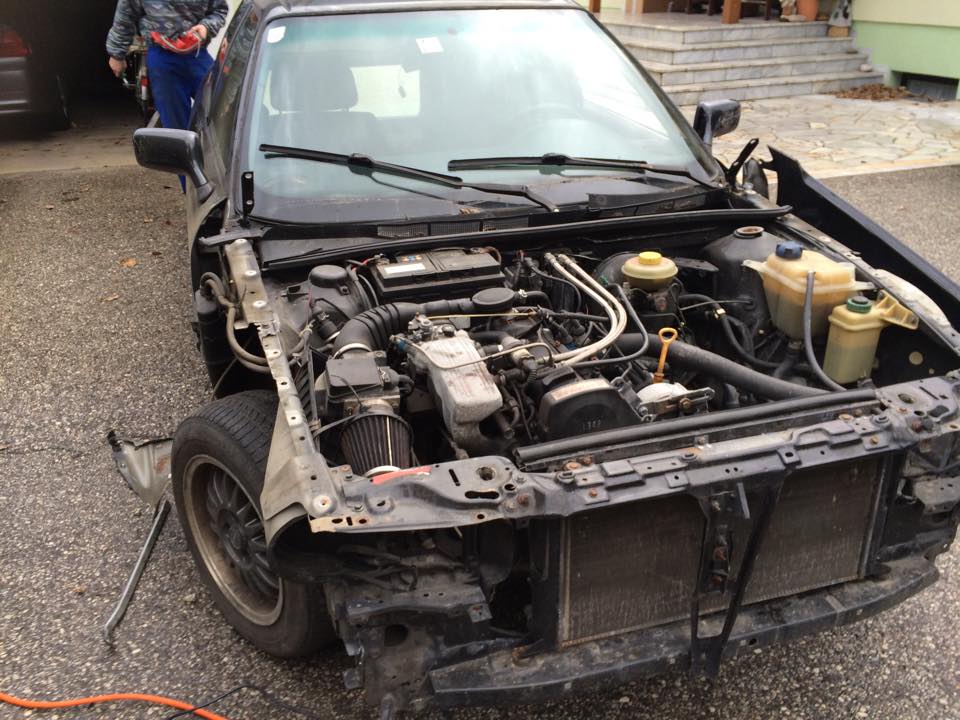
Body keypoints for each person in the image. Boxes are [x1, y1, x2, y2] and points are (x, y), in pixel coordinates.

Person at [106, 0, 229, 133]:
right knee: (175, 126)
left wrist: (206, 26)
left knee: (221, 107)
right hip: (162, 57)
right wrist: (117, 54)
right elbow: (125, 15)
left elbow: (219, 11)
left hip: (198, 54)